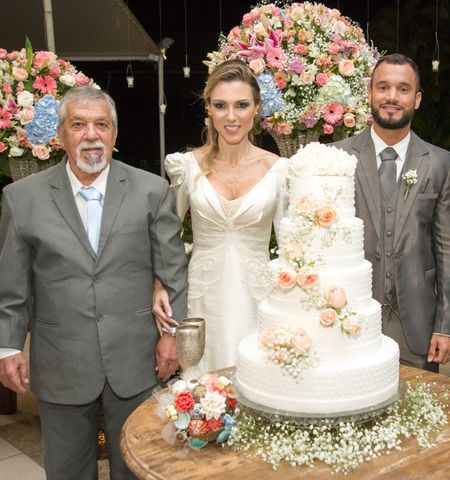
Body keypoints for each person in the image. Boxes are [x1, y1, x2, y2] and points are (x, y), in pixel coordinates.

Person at [0, 86, 188, 479]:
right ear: (61, 134)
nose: (91, 135)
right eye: (79, 124)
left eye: (101, 124)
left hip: (138, 360)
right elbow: (12, 288)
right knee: (67, 471)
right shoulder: (22, 198)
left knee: (137, 467)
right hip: (61, 361)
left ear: (114, 134)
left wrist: (171, 337)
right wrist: (7, 346)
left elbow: (172, 273)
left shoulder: (151, 191)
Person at [156, 59, 287, 372]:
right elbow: (165, 236)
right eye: (221, 105)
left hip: (258, 299)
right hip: (202, 299)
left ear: (257, 109)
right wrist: (160, 285)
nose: (231, 117)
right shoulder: (186, 166)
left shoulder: (279, 170)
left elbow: (290, 247)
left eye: (241, 105)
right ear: (209, 109)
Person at [333, 54, 450, 371]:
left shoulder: (441, 162)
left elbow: (447, 249)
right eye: (383, 87)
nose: (392, 97)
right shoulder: (337, 157)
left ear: (416, 99)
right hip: (348, 321)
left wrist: (445, 324)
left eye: (403, 89)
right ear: (370, 93)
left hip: (416, 325)